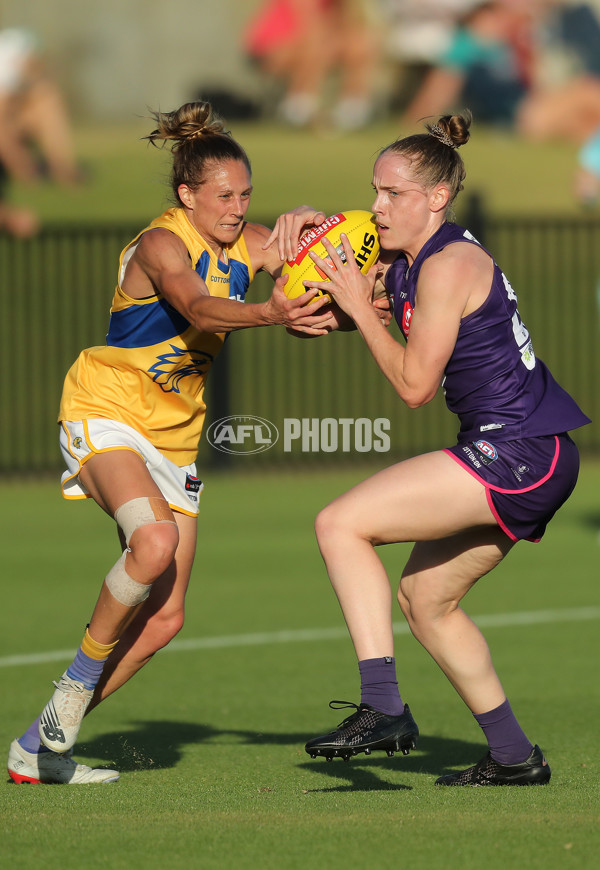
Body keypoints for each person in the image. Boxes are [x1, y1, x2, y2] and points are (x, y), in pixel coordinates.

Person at [6, 100, 343, 785]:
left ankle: (34, 749)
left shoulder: (248, 241)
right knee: (152, 546)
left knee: (164, 621)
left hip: (174, 439)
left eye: (246, 194)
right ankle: (72, 692)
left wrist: (334, 244)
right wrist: (268, 310)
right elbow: (196, 307)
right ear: (187, 194)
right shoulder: (163, 245)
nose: (236, 206)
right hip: (104, 412)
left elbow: (312, 264)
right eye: (224, 195)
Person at [268, 110, 590, 785]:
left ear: (438, 197)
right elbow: (311, 287)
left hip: (518, 451)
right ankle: (514, 758)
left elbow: (415, 385)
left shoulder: (449, 265)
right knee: (425, 601)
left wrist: (359, 308)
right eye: (376, 190)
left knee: (340, 523)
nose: (378, 207)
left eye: (395, 194)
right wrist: (292, 237)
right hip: (531, 453)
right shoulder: (412, 262)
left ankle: (382, 707)